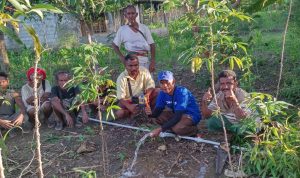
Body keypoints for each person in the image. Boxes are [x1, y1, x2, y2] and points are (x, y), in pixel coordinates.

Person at [147, 71, 201, 137]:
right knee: (158, 118)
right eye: (162, 83)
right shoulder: (162, 93)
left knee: (177, 129)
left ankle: (194, 130)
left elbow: (178, 115)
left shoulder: (182, 92)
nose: (165, 86)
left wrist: (160, 129)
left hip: (190, 115)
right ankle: (172, 127)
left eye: (167, 82)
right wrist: (149, 114)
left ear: (173, 81)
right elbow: (158, 110)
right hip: (177, 114)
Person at [112, 4, 156, 72]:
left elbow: (152, 44)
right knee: (133, 82)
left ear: (136, 14)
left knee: (147, 82)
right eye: (128, 13)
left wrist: (152, 61)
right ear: (125, 15)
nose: (131, 15)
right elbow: (115, 45)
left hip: (145, 62)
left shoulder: (144, 28)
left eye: (133, 13)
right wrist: (122, 58)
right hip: (131, 64)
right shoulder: (122, 30)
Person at [115, 54, 157, 119]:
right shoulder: (121, 78)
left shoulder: (143, 70)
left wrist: (147, 95)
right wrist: (129, 106)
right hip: (130, 101)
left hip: (143, 98)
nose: (134, 68)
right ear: (125, 66)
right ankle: (134, 112)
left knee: (158, 92)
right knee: (120, 113)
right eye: (130, 66)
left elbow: (151, 85)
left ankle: (147, 110)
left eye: (136, 65)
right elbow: (121, 98)